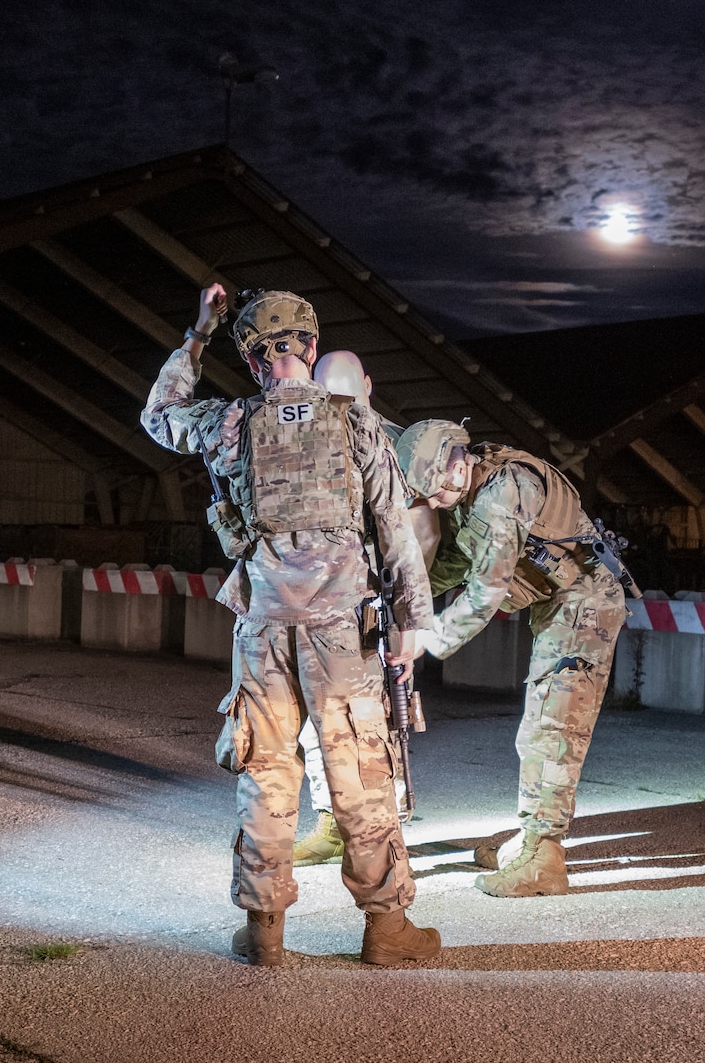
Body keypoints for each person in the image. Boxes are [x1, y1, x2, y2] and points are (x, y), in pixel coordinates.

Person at [141, 289, 440, 967]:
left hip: (265, 624)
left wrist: (198, 332)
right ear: (310, 344)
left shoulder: (230, 422)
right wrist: (410, 623)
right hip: (343, 631)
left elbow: (157, 415)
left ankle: (265, 930)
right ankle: (387, 930)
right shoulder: (355, 421)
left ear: (251, 360)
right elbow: (394, 522)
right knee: (362, 772)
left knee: (266, 771)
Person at [394, 419, 629, 898]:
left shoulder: (505, 492)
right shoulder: (467, 494)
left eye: (437, 485)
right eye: (424, 493)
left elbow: (485, 591)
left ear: (458, 459)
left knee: (552, 725)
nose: (435, 499)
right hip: (556, 600)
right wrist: (401, 601)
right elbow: (457, 563)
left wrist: (425, 639)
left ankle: (543, 857)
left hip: (585, 601)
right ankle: (531, 839)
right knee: (543, 722)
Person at [289, 350, 433, 867]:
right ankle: (332, 824)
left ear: (369, 386)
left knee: (373, 729)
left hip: (373, 612)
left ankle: (382, 837)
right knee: (318, 723)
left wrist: (405, 620)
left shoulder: (393, 444)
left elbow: (419, 534)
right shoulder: (312, 435)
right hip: (322, 611)